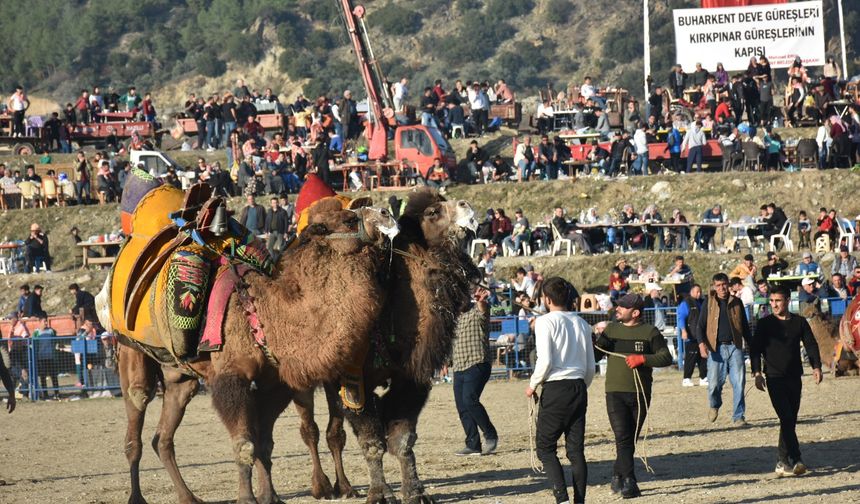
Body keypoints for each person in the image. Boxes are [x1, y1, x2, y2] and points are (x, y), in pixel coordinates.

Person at [595, 293, 672, 498]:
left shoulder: (650, 332)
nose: (617, 309)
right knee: (623, 437)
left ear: (635, 312)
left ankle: (617, 474)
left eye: (623, 307)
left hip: (640, 393)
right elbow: (594, 354)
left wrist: (642, 359)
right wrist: (589, 338)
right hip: (615, 392)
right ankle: (630, 481)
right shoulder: (611, 330)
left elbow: (665, 356)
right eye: (618, 306)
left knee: (630, 438)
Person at [526, 277, 595, 504]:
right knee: (576, 451)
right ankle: (579, 500)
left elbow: (544, 361)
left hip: (556, 387)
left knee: (545, 448)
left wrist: (533, 384)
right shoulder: (583, 324)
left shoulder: (545, 323)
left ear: (546, 299)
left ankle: (562, 499)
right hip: (578, 386)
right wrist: (580, 386)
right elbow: (590, 367)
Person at [751, 286, 822, 477]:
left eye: (778, 301)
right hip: (773, 377)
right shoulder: (765, 324)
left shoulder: (799, 322)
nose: (774, 305)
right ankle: (796, 458)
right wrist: (757, 373)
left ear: (787, 301)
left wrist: (816, 367)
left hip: (794, 377)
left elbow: (811, 344)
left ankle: (781, 462)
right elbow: (755, 350)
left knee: (790, 420)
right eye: (771, 301)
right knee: (787, 418)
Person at [696, 273, 752, 424]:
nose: (722, 288)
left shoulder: (737, 302)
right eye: (718, 285)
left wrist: (752, 347)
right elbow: (700, 327)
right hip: (716, 348)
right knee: (714, 384)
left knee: (739, 382)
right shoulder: (709, 303)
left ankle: (738, 416)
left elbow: (745, 327)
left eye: (724, 285)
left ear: (729, 284)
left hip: (735, 347)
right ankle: (714, 405)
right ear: (714, 286)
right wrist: (702, 345)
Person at [448, 287, 497, 456]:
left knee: (469, 400)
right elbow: (452, 345)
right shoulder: (453, 321)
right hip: (459, 367)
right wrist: (447, 362)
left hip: (477, 364)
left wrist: (481, 301)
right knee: (462, 406)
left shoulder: (477, 311)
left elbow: (483, 309)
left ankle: (490, 435)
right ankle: (473, 444)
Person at [678, 284, 707, 387]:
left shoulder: (702, 302)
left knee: (703, 357)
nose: (699, 294)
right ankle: (686, 378)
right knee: (691, 357)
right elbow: (681, 318)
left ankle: (703, 377)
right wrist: (683, 331)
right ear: (691, 292)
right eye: (697, 292)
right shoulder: (686, 303)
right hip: (691, 335)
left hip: (701, 336)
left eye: (700, 292)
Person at [32, 317, 60, 401]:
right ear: (39, 322)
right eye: (44, 321)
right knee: (43, 377)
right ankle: (45, 394)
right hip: (41, 358)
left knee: (54, 376)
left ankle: (56, 394)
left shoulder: (51, 331)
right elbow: (34, 344)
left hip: (51, 357)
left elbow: (55, 341)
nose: (46, 323)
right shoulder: (36, 332)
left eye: (46, 321)